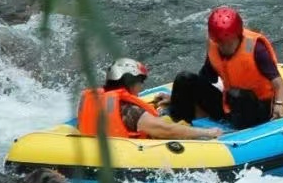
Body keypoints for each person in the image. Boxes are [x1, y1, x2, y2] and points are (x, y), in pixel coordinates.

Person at [167, 7, 283, 130]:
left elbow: (280, 86)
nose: (224, 47)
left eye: (228, 43)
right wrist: (180, 99)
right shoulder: (214, 45)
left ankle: (234, 134)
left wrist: (280, 105)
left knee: (236, 95)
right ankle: (176, 127)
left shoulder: (256, 48)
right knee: (184, 79)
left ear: (238, 35)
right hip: (229, 105)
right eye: (220, 42)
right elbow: (205, 77)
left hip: (258, 109)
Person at [77, 59, 220, 142]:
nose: (141, 87)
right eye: (141, 82)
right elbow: (167, 130)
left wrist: (173, 100)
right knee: (172, 122)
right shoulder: (132, 111)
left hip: (98, 148)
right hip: (127, 157)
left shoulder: (94, 99)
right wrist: (207, 133)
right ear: (131, 83)